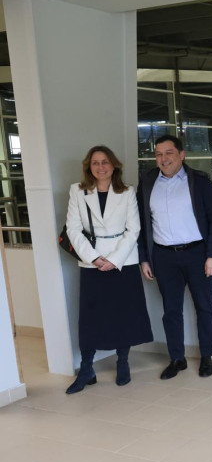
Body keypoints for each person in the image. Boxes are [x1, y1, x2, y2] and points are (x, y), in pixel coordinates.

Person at [64, 146, 153, 394]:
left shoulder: (127, 192)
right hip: (91, 262)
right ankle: (86, 368)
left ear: (113, 165)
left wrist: (113, 260)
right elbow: (72, 229)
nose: (100, 167)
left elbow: (133, 230)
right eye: (95, 163)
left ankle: (122, 362)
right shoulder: (78, 191)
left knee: (123, 313)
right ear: (88, 167)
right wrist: (94, 258)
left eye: (105, 162)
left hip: (122, 262)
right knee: (90, 317)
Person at [137, 135, 212, 380]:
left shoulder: (199, 182)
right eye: (158, 154)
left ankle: (206, 356)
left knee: (204, 307)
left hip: (197, 254)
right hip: (163, 257)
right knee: (171, 311)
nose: (163, 159)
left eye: (169, 153)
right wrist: (144, 258)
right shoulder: (147, 183)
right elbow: (142, 225)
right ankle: (177, 358)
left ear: (182, 155)